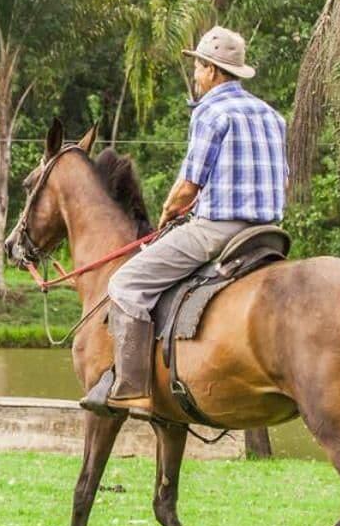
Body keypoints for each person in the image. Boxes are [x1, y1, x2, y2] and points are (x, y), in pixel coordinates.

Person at [81, 26, 288, 416]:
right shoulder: (272, 115)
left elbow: (188, 187)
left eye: (197, 66)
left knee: (126, 283)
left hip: (217, 230)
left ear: (211, 70)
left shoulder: (212, 111)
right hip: (267, 235)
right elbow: (286, 180)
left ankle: (132, 389)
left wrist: (168, 212)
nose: (195, 74)